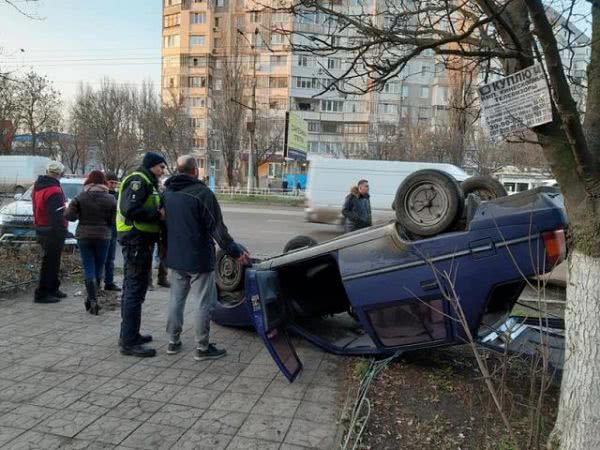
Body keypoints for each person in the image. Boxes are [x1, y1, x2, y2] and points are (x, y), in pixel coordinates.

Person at [162, 155, 249, 360]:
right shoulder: (202, 194)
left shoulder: (167, 193)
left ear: (178, 170)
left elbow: (163, 226)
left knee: (176, 300)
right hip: (198, 258)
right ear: (195, 171)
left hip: (175, 257)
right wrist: (235, 252)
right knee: (202, 302)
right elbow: (218, 230)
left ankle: (172, 343)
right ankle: (202, 347)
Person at [116, 151, 166, 357]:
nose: (163, 171)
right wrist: (157, 214)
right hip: (135, 240)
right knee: (134, 291)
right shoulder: (138, 180)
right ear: (152, 165)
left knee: (134, 289)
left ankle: (130, 334)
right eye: (161, 167)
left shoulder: (148, 181)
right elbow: (130, 209)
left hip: (141, 241)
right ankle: (129, 342)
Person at [65, 170, 116, 315]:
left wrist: (77, 213)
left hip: (84, 236)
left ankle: (92, 300)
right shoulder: (111, 199)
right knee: (99, 267)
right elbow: (113, 221)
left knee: (88, 267)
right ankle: (93, 299)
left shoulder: (80, 197)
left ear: (88, 182)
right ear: (104, 183)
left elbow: (70, 217)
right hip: (103, 237)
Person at [31, 161, 69, 304]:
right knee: (50, 263)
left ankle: (53, 288)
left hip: (41, 227)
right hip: (53, 231)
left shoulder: (38, 186)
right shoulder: (54, 190)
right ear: (59, 174)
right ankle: (42, 293)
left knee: (51, 261)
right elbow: (57, 214)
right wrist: (63, 231)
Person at [104, 172, 121, 291]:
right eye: (111, 183)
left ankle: (109, 282)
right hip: (103, 229)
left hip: (114, 229)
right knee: (102, 258)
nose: (113, 185)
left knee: (110, 258)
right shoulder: (101, 194)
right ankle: (97, 281)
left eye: (115, 183)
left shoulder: (118, 196)